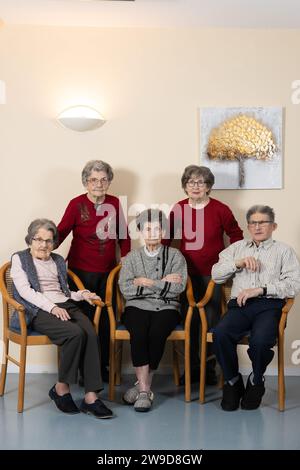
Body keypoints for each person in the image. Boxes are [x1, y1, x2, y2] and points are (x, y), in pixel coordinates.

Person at [10, 219, 113, 418]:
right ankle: (61, 388)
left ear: (54, 243)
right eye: (38, 239)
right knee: (74, 333)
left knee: (90, 332)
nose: (43, 245)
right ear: (30, 240)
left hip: (64, 305)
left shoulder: (57, 260)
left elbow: (64, 292)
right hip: (38, 310)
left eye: (49, 241)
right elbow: (25, 292)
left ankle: (91, 397)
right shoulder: (19, 259)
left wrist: (83, 295)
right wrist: (52, 307)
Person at [212, 205, 300, 411]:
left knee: (261, 341)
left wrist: (260, 289)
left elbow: (294, 285)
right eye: (253, 223)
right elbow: (216, 274)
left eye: (263, 222)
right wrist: (238, 263)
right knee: (220, 333)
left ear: (273, 226)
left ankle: (257, 379)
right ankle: (233, 381)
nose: (257, 227)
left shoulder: (284, 251)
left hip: (269, 307)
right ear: (249, 226)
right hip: (240, 307)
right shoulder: (237, 249)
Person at [163, 165, 243, 385]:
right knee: (189, 321)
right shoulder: (178, 208)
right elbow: (166, 239)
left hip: (213, 275)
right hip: (185, 274)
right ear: (185, 186)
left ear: (208, 186)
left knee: (210, 320)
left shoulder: (221, 209)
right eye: (191, 182)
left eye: (201, 182)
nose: (196, 186)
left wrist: (230, 262)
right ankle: (191, 368)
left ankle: (208, 369)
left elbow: (236, 235)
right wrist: (163, 264)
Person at [57, 160, 131, 382]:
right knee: (83, 321)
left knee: (107, 321)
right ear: (86, 182)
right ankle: (82, 370)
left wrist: (126, 258)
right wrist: (44, 249)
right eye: (93, 180)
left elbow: (124, 237)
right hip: (80, 272)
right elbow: (61, 231)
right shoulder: (76, 204)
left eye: (103, 179)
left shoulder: (115, 203)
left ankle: (102, 367)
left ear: (109, 182)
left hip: (108, 273)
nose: (99, 184)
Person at [119, 209, 187, 412]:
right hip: (136, 306)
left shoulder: (175, 255)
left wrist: (147, 282)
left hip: (167, 307)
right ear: (140, 231)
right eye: (148, 228)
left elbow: (178, 287)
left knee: (157, 333)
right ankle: (145, 390)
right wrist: (161, 283)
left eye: (157, 228)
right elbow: (126, 288)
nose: (152, 233)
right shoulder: (132, 257)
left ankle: (140, 388)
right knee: (139, 333)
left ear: (163, 231)